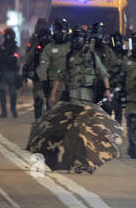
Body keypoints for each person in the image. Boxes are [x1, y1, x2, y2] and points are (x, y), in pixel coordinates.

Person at [26, 26, 117, 173]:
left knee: (87, 135)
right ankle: (76, 161)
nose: (77, 41)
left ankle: (87, 162)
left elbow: (103, 74)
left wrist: (107, 91)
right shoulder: (68, 57)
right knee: (73, 133)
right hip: (73, 100)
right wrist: (53, 94)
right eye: (75, 38)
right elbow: (59, 76)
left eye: (80, 38)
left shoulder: (92, 57)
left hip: (89, 100)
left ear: (85, 40)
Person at [22, 27, 54, 120]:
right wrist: (24, 78)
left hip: (51, 80)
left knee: (50, 104)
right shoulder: (36, 49)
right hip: (38, 79)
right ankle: (38, 122)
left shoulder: (54, 49)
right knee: (38, 101)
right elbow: (28, 63)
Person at [0, 28, 23, 118]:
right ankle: (5, 111)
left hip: (12, 72)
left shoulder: (15, 47)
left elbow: (19, 59)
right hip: (4, 72)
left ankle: (12, 109)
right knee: (3, 92)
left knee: (13, 93)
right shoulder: (2, 48)